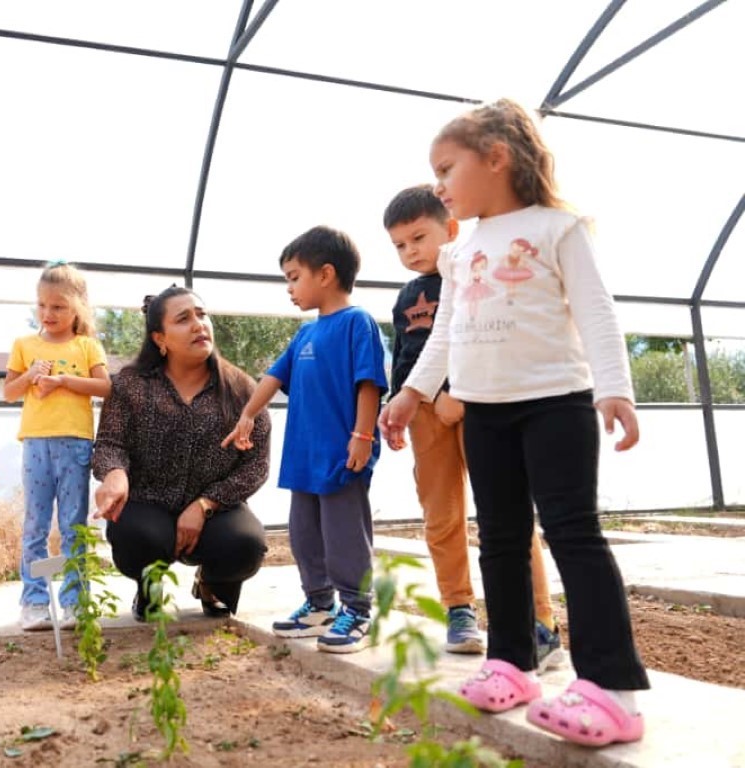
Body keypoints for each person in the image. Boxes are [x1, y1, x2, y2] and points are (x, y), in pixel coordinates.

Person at [380, 99, 648, 747]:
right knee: (498, 537)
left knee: (572, 535)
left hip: (556, 402)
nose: (438, 185)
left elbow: (595, 311)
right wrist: (411, 394)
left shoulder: (558, 227)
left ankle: (610, 690)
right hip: (485, 411)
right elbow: (446, 330)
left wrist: (614, 388)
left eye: (446, 168)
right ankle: (510, 662)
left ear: (495, 159)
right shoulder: (459, 250)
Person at [383, 184, 563, 669]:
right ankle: (458, 609)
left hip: (476, 404)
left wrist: (454, 394)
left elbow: (479, 340)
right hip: (423, 414)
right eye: (399, 245)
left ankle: (539, 620)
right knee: (441, 516)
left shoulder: (473, 274)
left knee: (506, 516)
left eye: (419, 238)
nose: (410, 251)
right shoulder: (405, 296)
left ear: (453, 228)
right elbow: (407, 356)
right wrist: (402, 403)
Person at [224, 226, 386, 654]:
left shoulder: (358, 323)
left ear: (326, 274)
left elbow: (370, 382)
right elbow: (275, 376)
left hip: (341, 455)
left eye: (294, 277)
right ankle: (319, 604)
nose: (290, 288)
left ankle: (357, 610)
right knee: (305, 533)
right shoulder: (306, 335)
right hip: (304, 457)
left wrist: (363, 435)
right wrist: (247, 413)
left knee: (344, 535)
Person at [94, 286, 269, 621]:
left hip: (217, 509)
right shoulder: (131, 384)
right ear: (160, 338)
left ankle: (211, 584)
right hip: (149, 503)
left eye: (202, 315)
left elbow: (256, 466)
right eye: (184, 318)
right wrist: (115, 474)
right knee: (134, 536)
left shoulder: (243, 390)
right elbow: (110, 443)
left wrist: (205, 505)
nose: (198, 324)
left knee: (245, 545)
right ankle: (150, 588)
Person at [5, 263, 111, 631]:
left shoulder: (87, 346)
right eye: (42, 305)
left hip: (75, 444)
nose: (48, 314)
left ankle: (74, 602)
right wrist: (32, 375)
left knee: (73, 525)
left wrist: (64, 380)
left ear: (77, 309)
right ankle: (34, 602)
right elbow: (8, 392)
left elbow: (106, 388)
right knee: (35, 524)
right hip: (35, 443)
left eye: (58, 307)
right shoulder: (24, 345)